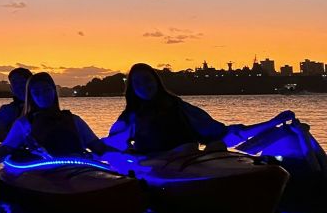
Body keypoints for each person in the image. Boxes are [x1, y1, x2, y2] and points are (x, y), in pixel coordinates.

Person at [106, 63, 294, 154]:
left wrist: (272, 122)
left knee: (217, 145)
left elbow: (225, 134)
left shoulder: (179, 108)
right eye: (137, 83)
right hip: (157, 166)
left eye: (147, 80)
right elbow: (113, 144)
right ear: (132, 89)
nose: (144, 86)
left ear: (156, 82)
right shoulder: (131, 117)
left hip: (190, 161)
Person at [0, 72, 112, 161]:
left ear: (54, 91)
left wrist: (120, 155)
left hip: (76, 169)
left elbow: (97, 146)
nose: (43, 95)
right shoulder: (24, 123)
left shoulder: (74, 120)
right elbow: (7, 148)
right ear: (31, 97)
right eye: (37, 92)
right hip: (42, 173)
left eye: (46, 90)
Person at [0, 67, 32, 143]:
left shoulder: (43, 108)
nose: (19, 87)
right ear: (11, 88)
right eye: (15, 83)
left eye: (22, 82)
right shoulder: (6, 110)